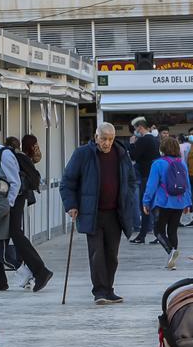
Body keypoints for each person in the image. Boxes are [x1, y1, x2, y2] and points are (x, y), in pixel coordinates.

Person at [60, 123, 140, 305]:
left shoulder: (121, 153)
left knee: (111, 254)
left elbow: (131, 180)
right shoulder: (83, 154)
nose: (107, 143)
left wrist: (128, 199)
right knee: (97, 254)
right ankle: (99, 292)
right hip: (92, 213)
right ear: (96, 137)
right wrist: (71, 205)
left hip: (115, 213)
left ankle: (109, 289)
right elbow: (67, 182)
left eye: (110, 139)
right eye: (104, 139)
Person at [0, 128, 54, 292]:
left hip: (15, 198)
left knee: (15, 233)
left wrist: (8, 205)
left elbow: (15, 181)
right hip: (2, 200)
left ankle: (41, 271)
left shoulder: (3, 155)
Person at [142, 137, 192, 271]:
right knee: (172, 231)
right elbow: (187, 184)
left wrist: (146, 201)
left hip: (162, 202)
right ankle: (172, 261)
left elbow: (151, 185)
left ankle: (171, 252)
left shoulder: (158, 164)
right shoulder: (182, 163)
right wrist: (188, 203)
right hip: (179, 202)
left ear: (162, 149)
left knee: (158, 231)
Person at [128, 117, 161, 245]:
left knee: (145, 207)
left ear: (140, 127)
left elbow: (133, 155)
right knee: (152, 207)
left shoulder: (143, 140)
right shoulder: (154, 139)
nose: (135, 131)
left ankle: (143, 235)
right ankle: (156, 234)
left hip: (145, 176)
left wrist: (131, 144)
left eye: (135, 128)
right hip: (153, 176)